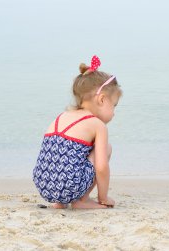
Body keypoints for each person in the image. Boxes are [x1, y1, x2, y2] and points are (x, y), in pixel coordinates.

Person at [33, 55, 122, 209]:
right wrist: (103, 197)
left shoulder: (62, 116)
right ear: (101, 99)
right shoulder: (97, 125)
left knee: (68, 155)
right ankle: (82, 201)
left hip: (43, 184)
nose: (114, 113)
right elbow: (101, 167)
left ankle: (59, 203)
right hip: (70, 185)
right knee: (106, 148)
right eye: (114, 105)